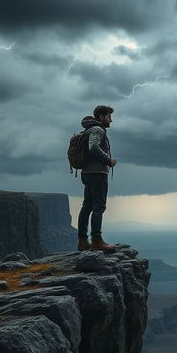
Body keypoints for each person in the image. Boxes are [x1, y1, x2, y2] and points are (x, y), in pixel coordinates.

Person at [76, 105, 118, 252]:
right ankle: (96, 240)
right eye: (109, 116)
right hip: (97, 173)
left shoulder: (88, 130)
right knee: (98, 206)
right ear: (101, 117)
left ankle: (82, 240)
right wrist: (108, 160)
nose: (111, 120)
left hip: (87, 173)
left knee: (87, 206)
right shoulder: (98, 130)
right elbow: (93, 147)